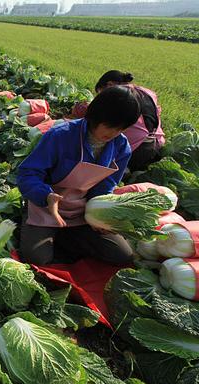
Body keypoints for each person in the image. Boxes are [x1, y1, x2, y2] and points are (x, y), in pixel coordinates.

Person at [17, 86, 141, 266]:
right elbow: (28, 173)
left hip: (82, 211)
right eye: (110, 126)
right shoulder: (61, 136)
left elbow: (107, 184)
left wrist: (99, 214)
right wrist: (46, 195)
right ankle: (47, 231)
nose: (113, 134)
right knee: (37, 259)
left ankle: (64, 235)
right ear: (96, 116)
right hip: (46, 207)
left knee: (122, 255)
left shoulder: (121, 147)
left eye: (120, 129)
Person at [95, 70, 165, 172]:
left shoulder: (117, 94)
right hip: (157, 143)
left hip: (134, 148)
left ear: (109, 84)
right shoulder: (147, 92)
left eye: (100, 93)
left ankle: (123, 169)